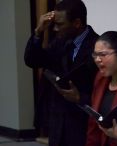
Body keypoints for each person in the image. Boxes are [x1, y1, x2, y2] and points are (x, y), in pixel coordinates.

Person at [24, 1, 99, 146]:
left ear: (77, 23)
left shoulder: (98, 46)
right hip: (58, 123)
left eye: (60, 24)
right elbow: (32, 61)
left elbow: (104, 93)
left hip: (82, 125)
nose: (55, 29)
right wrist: (38, 32)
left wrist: (80, 98)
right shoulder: (60, 42)